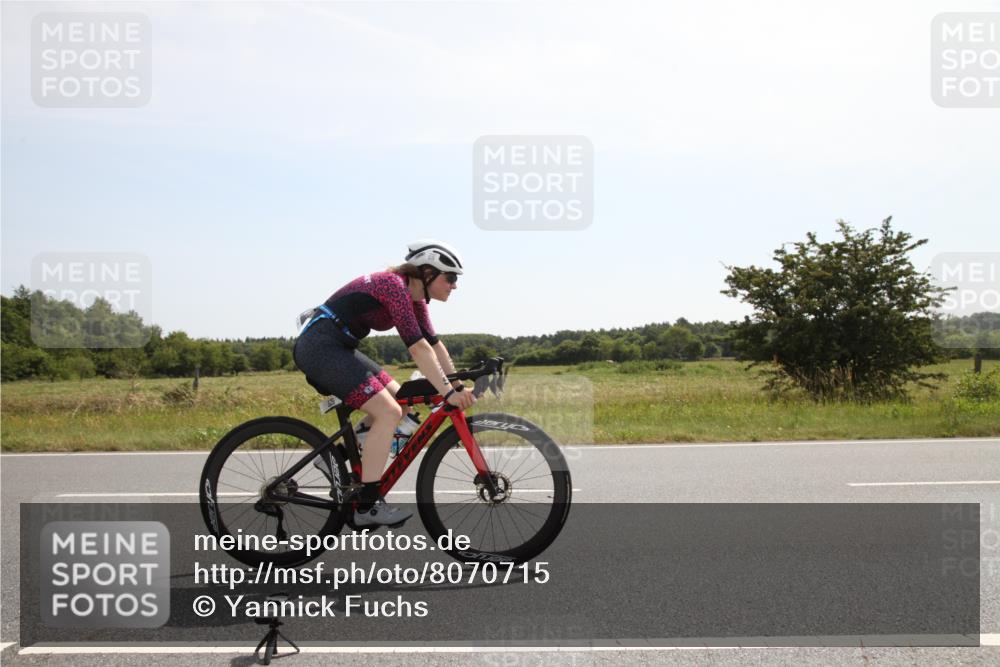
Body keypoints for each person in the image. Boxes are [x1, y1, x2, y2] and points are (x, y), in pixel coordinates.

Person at [293, 239, 476, 526]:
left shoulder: (415, 298)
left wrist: (457, 386)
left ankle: (334, 457)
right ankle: (366, 506)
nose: (454, 285)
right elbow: (418, 349)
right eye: (450, 277)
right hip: (320, 347)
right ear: (428, 273)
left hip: (339, 346)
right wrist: (447, 392)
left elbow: (434, 345)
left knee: (401, 404)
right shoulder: (394, 287)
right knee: (388, 412)